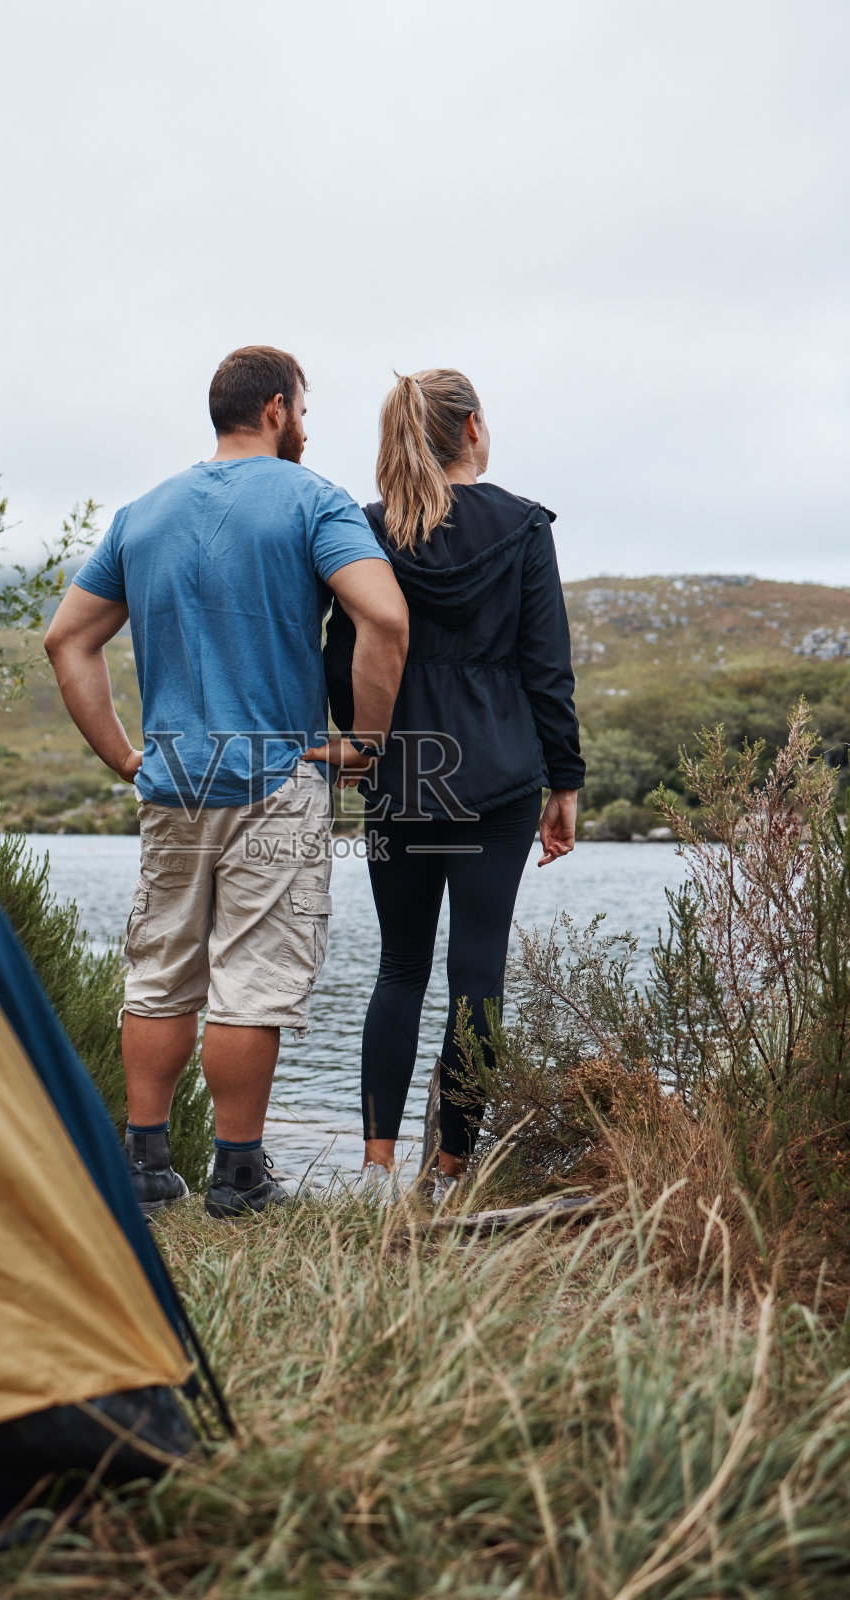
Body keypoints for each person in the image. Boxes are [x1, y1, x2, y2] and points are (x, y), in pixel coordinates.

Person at [44, 346, 408, 1221]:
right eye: (303, 410)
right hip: (276, 780)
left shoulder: (143, 513)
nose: (306, 426)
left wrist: (125, 757)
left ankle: (144, 1165)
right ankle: (239, 1176)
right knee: (252, 979)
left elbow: (67, 640)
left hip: (171, 784)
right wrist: (364, 742)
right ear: (276, 408)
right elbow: (384, 616)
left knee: (160, 972)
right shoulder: (313, 499)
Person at [323, 368, 584, 1201]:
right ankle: (448, 1173)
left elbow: (342, 653)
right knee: (478, 975)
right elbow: (547, 667)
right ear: (471, 428)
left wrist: (361, 742)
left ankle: (375, 1169)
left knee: (399, 967)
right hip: (501, 779)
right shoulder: (524, 527)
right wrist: (565, 780)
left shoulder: (370, 531)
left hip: (402, 773)